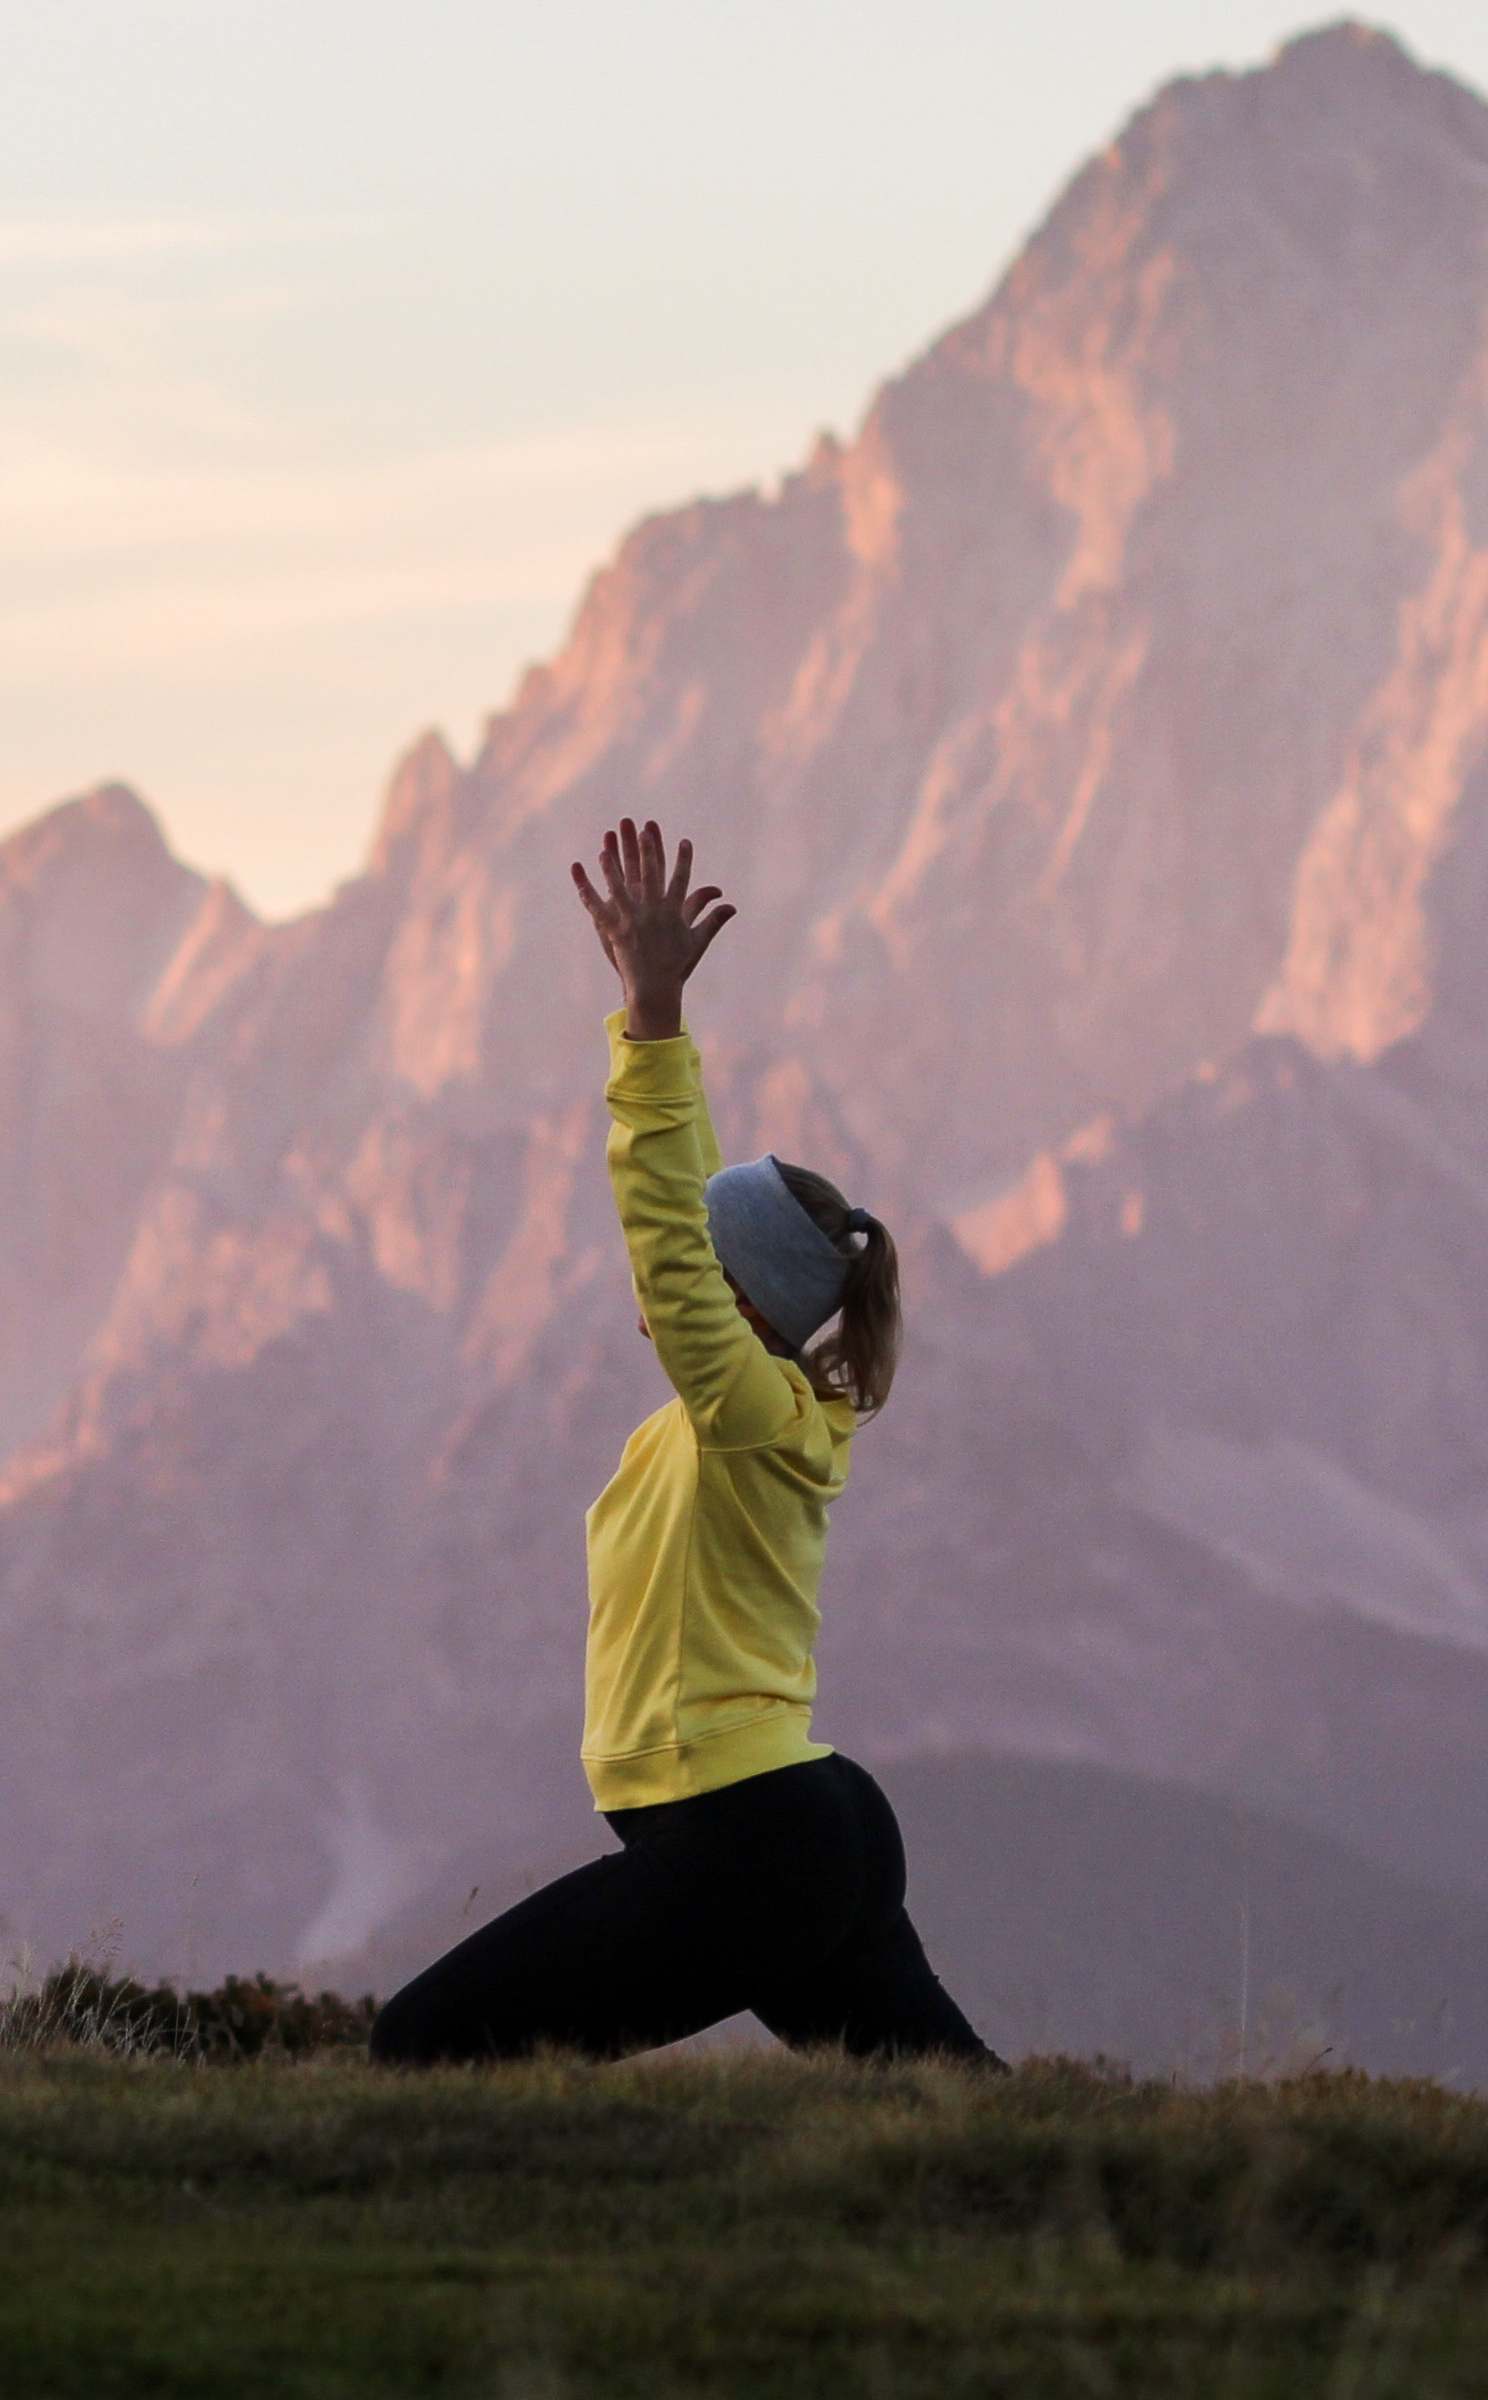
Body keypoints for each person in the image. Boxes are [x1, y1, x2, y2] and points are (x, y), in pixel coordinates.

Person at [371, 818, 994, 2069]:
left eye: (707, 1283)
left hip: (754, 1838)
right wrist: (658, 1027)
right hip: (800, 1824)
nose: (662, 1292)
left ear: (742, 1300)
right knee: (960, 2114)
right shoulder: (752, 1408)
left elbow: (669, 1228)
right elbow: (701, 1216)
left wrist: (647, 1025)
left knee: (422, 2054)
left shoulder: (744, 1413)